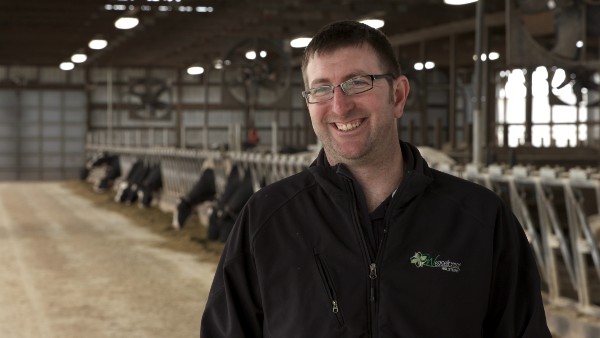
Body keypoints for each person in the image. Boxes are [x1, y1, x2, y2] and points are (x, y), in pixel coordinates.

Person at [200, 20, 551, 337]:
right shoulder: (266, 218)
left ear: (398, 96)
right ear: (308, 103)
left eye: (357, 82)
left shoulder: (480, 218)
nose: (339, 106)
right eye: (321, 89)